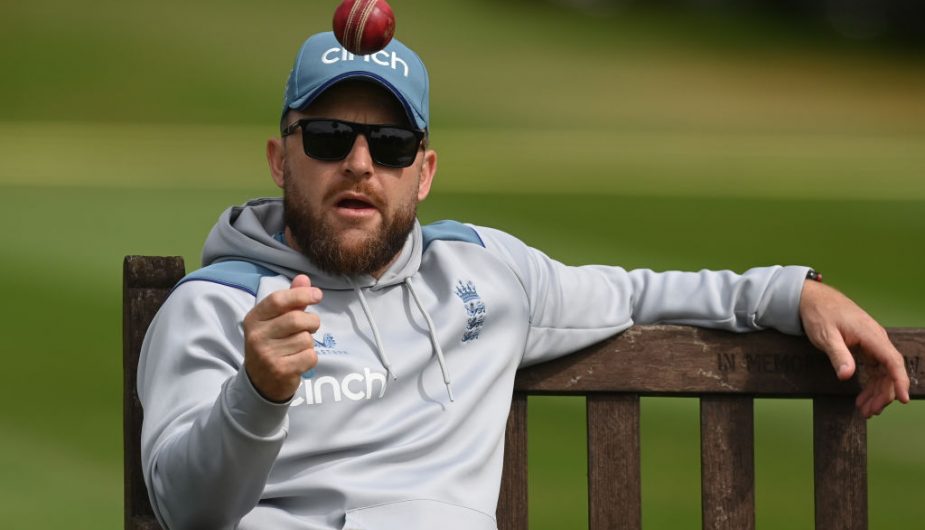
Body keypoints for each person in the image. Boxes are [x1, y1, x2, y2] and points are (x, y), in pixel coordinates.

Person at [137, 31, 910, 530]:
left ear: (425, 172)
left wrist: (791, 291)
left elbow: (637, 293)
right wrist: (257, 391)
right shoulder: (218, 309)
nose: (360, 164)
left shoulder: (484, 273)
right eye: (331, 136)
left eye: (392, 144)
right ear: (281, 160)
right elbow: (184, 509)